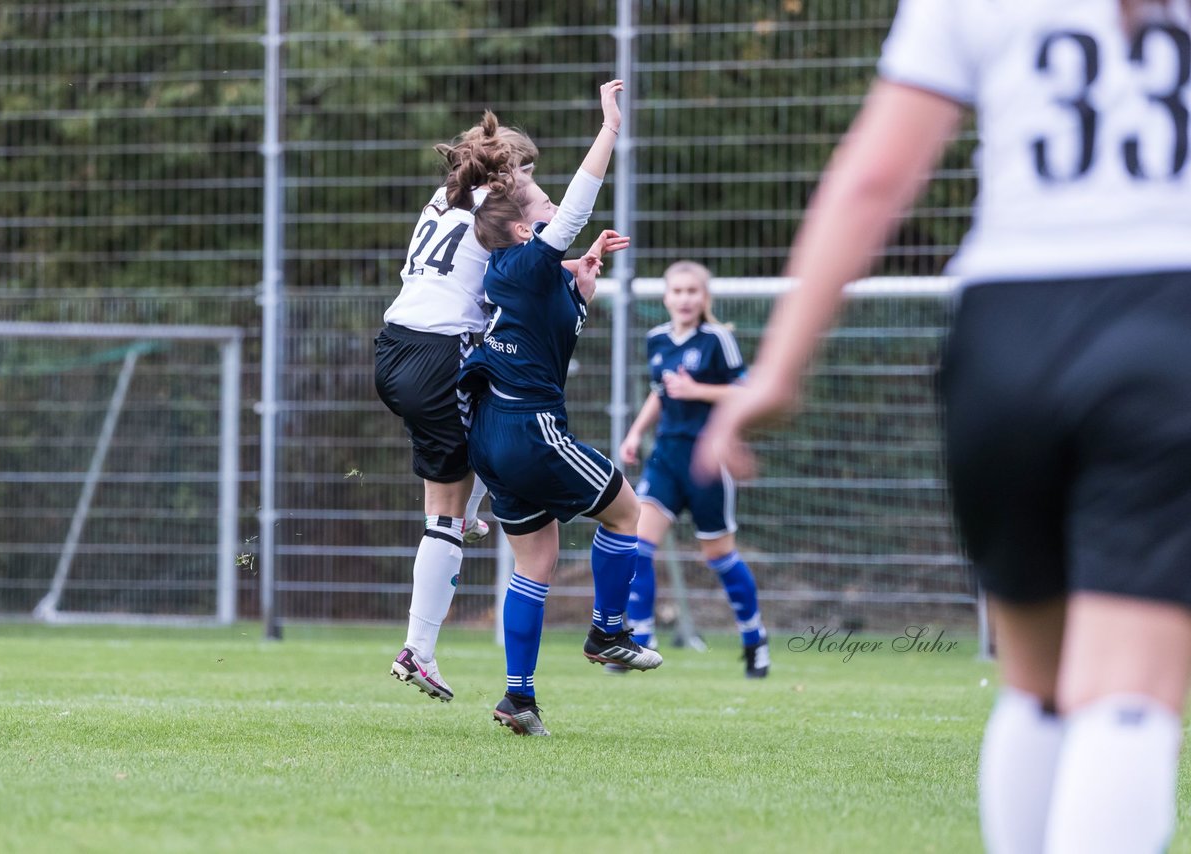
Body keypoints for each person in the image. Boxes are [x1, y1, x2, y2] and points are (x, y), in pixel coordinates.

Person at [695, 0, 1191, 850]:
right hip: (1168, 321)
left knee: (1034, 685)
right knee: (1128, 696)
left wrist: (779, 369)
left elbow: (875, 179)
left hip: (1006, 337)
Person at [458, 79, 660, 737]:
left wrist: (584, 280)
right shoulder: (519, 260)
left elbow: (552, 320)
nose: (553, 205)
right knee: (630, 510)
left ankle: (519, 697)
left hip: (497, 437)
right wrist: (609, 130)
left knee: (537, 562)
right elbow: (572, 210)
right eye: (541, 201)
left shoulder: (524, 274)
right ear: (522, 225)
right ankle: (607, 632)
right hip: (528, 428)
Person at [376, 112, 539, 704]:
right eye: (525, 170)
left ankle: (466, 512)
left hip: (394, 346)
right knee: (445, 516)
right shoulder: (500, 207)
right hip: (441, 353)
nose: (530, 181)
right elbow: (550, 229)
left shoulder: (441, 198)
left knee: (467, 454)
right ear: (506, 173)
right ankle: (418, 650)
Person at [617, 260, 770, 678]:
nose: (685, 299)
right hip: (666, 457)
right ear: (666, 297)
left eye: (692, 291)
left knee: (719, 556)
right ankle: (642, 640)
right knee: (638, 547)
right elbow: (659, 394)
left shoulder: (718, 339)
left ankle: (755, 640)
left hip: (708, 460)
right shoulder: (657, 340)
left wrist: (697, 389)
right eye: (677, 291)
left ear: (705, 298)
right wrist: (634, 433)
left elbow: (746, 391)